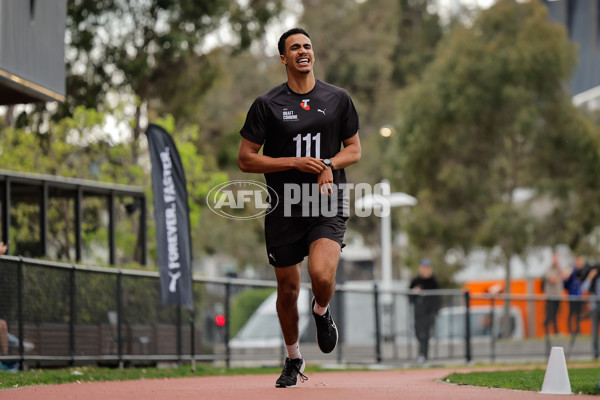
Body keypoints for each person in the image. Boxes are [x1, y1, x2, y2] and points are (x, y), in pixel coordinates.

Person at [238, 27, 361, 388]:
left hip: (326, 202)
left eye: (307, 46)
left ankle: (321, 311)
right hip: (284, 207)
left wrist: (329, 166)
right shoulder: (267, 104)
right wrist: (293, 163)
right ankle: (293, 358)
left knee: (322, 276)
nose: (303, 51)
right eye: (295, 47)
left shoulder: (338, 98)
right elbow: (246, 159)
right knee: (288, 290)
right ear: (283, 58)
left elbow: (354, 150)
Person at [409, 258, 441, 364]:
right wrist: (414, 292)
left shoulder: (433, 281)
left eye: (427, 268)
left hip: (429, 312)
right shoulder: (415, 281)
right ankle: (422, 354)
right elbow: (409, 295)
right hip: (418, 312)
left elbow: (438, 297)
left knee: (426, 334)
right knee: (418, 333)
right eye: (423, 267)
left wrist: (435, 311)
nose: (425, 270)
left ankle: (423, 355)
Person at [563, 255, 587, 334]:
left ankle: (577, 329)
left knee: (578, 314)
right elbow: (566, 281)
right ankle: (570, 330)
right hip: (572, 296)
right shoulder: (572, 270)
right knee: (571, 313)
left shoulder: (581, 272)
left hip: (579, 296)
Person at [543, 252, 565, 336]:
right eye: (555, 258)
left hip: (558, 295)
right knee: (550, 313)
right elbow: (551, 279)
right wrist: (559, 277)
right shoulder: (549, 269)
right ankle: (547, 331)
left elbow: (564, 276)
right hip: (551, 295)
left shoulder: (558, 269)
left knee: (555, 314)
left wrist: (559, 269)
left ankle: (556, 332)